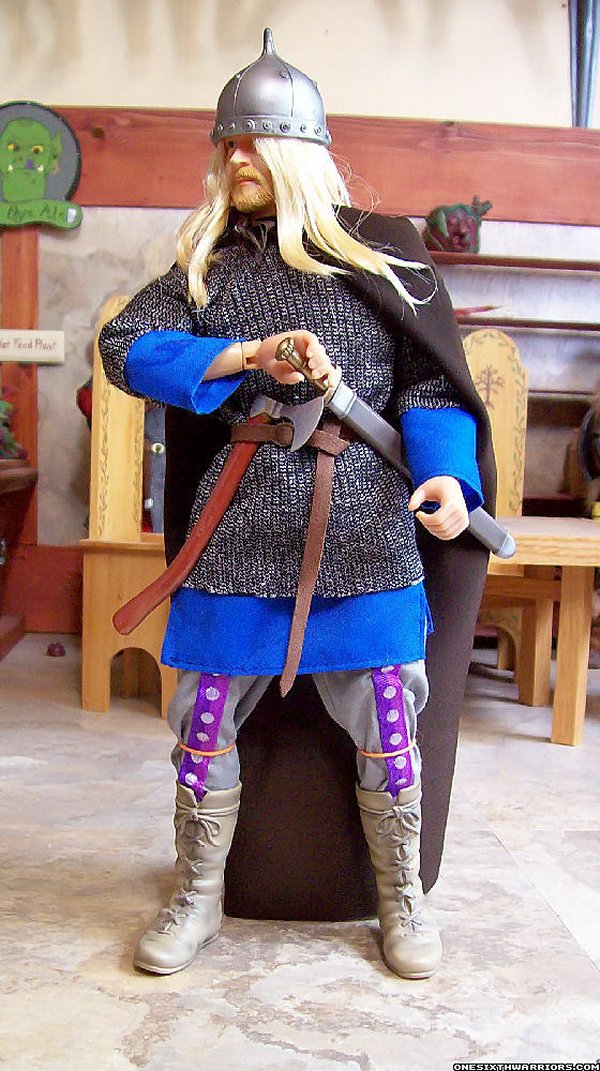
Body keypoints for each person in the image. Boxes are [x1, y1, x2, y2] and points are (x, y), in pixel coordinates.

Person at [99, 29, 495, 980]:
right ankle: (199, 894)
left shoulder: (383, 257)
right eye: (227, 144)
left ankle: (399, 896)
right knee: (203, 724)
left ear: (299, 150)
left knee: (389, 724)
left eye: (255, 142)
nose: (237, 159)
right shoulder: (212, 267)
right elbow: (124, 346)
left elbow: (431, 386)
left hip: (363, 529)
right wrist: (243, 355)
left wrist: (447, 476)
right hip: (236, 528)